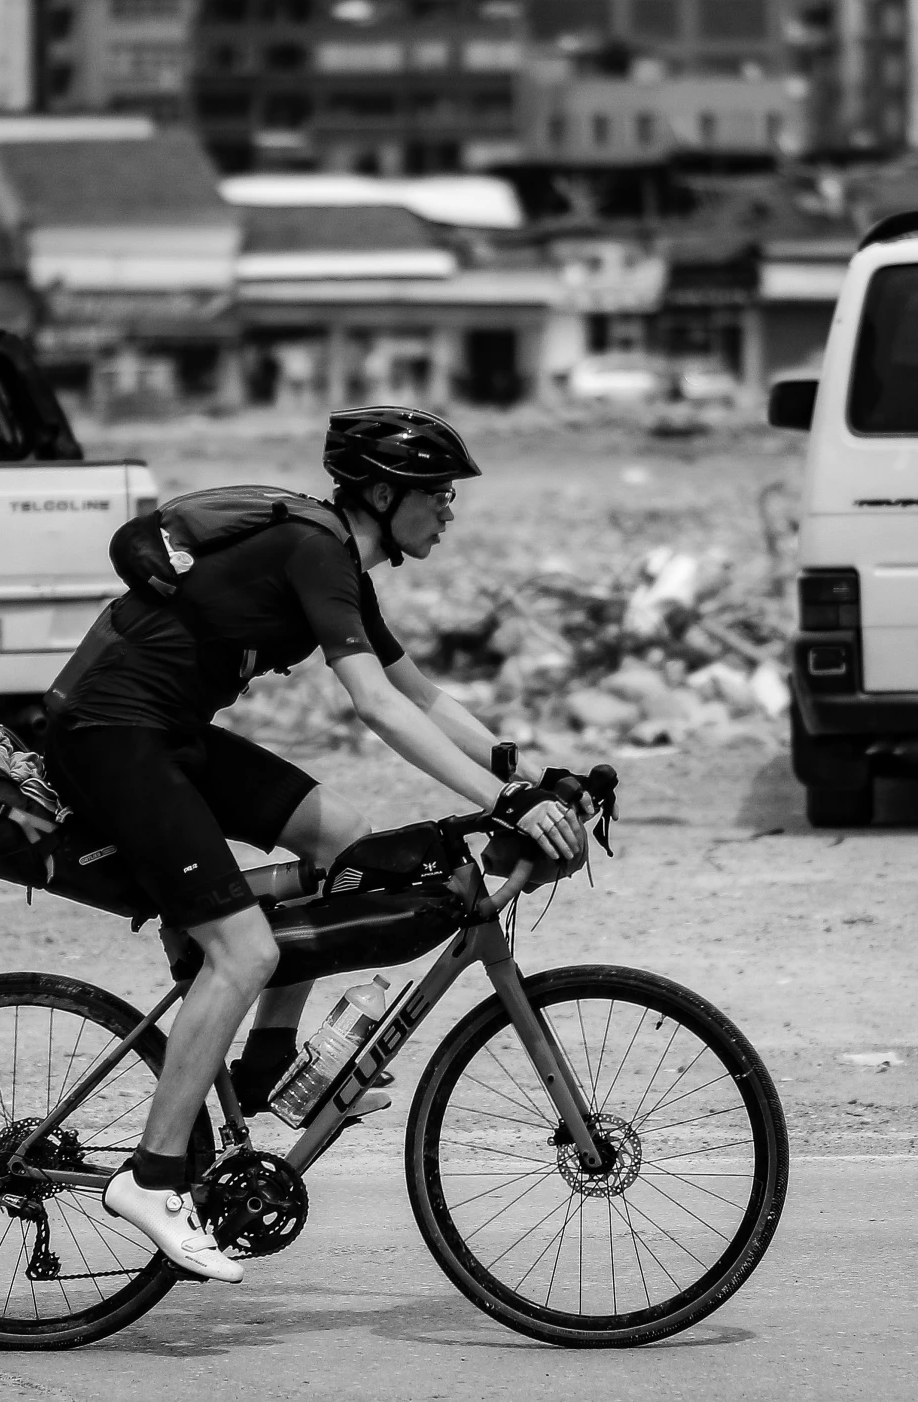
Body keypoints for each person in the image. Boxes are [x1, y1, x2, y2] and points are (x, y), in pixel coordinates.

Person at [41, 406, 589, 1284]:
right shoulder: (315, 549)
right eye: (437, 493)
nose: (450, 509)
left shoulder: (338, 562)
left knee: (347, 843)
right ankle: (150, 1178)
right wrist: (504, 806)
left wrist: (526, 778)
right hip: (111, 731)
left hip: (166, 728)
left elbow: (423, 694)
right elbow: (374, 708)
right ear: (381, 492)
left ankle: (260, 1067)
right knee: (244, 948)